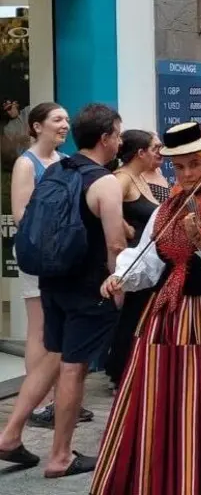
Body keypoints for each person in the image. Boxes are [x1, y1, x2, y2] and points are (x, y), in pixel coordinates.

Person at [92, 122, 201, 494]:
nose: (187, 174)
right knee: (158, 400)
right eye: (179, 167)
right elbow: (148, 264)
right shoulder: (166, 209)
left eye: (194, 165)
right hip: (166, 315)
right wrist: (121, 276)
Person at [0, 104, 126, 477]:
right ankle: (60, 456)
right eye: (117, 134)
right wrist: (117, 286)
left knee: (53, 355)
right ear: (105, 138)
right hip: (88, 288)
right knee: (74, 369)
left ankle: (9, 435)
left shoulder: (57, 169)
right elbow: (115, 245)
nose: (119, 140)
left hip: (52, 281)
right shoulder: (104, 181)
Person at [8, 102, 85, 429]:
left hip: (63, 256)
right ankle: (38, 403)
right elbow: (22, 215)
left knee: (58, 328)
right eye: (57, 119)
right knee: (39, 328)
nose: (64, 125)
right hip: (39, 254)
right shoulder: (26, 165)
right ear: (37, 126)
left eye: (67, 119)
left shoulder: (67, 162)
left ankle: (57, 399)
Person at [103, 130, 166, 387]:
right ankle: (120, 368)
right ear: (140, 152)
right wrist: (124, 228)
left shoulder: (142, 178)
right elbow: (106, 207)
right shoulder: (122, 178)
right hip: (132, 257)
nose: (158, 153)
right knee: (132, 314)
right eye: (154, 148)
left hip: (149, 257)